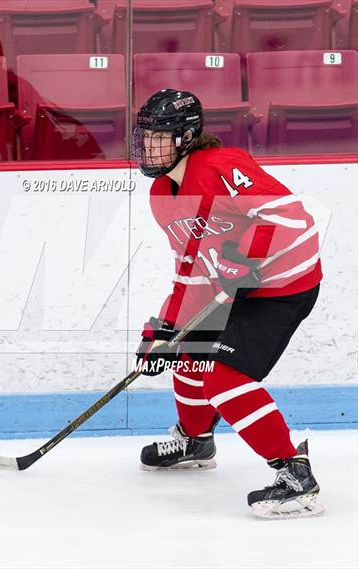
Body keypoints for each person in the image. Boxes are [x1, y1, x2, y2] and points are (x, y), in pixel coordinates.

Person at [131, 88, 324, 519]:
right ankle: (195, 441)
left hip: (282, 286)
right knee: (188, 353)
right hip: (232, 286)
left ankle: (295, 474)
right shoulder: (162, 194)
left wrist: (244, 259)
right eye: (144, 137)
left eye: (159, 136)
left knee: (220, 377)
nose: (147, 146)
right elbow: (192, 264)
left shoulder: (222, 165)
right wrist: (165, 327)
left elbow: (292, 218)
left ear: (187, 137)